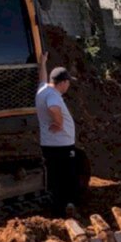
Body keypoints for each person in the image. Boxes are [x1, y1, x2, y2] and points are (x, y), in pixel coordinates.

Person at [36, 53, 80, 217]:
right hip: (61, 145)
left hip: (48, 143)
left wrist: (42, 63)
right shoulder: (52, 96)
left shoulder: (43, 88)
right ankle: (65, 208)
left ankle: (56, 208)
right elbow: (53, 107)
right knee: (67, 177)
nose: (68, 86)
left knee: (53, 177)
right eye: (68, 82)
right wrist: (59, 123)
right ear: (62, 83)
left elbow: (42, 79)